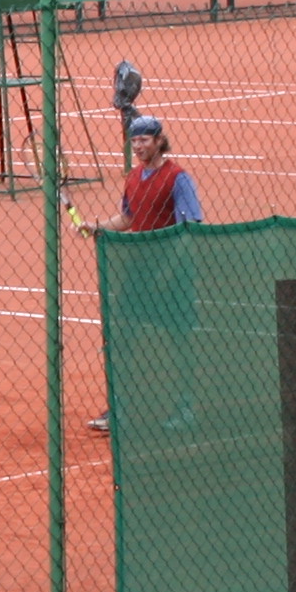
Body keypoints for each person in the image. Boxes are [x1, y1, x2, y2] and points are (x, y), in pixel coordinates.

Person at [82, 113, 198, 432]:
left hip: (173, 274)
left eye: (144, 140)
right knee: (122, 338)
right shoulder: (133, 178)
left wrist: (168, 272)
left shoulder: (178, 178)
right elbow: (128, 219)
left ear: (159, 140)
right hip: (139, 272)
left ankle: (186, 407)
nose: (138, 146)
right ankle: (121, 408)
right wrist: (98, 227)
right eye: (134, 141)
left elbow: (189, 229)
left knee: (179, 341)